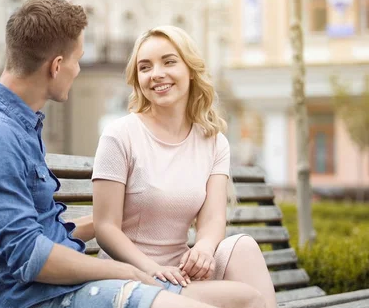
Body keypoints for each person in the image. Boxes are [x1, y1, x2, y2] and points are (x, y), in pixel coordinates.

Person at [0, 0, 239, 308]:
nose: (78, 69)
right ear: (57, 66)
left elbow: (38, 228)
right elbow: (29, 255)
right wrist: (124, 271)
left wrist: (122, 216)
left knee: (247, 299)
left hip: (57, 290)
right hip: (35, 299)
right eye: (77, 59)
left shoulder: (15, 124)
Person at [92, 25, 277, 308]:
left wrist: (203, 247)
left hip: (182, 274)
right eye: (145, 67)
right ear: (137, 78)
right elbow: (105, 227)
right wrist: (151, 269)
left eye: (169, 62)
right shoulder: (120, 135)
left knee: (243, 247)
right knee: (250, 301)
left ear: (190, 69)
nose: (156, 74)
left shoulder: (214, 142)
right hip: (132, 276)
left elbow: (213, 219)